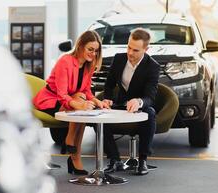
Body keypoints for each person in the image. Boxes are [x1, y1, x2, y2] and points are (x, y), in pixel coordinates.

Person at [33, 30, 110, 175]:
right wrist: (80, 104)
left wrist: (96, 101)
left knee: (82, 99)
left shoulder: (89, 65)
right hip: (50, 99)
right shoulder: (65, 61)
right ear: (80, 46)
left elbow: (86, 91)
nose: (93, 54)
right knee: (80, 106)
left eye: (96, 51)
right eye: (90, 49)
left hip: (70, 100)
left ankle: (73, 153)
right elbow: (62, 94)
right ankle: (71, 148)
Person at [102, 28, 160, 175]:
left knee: (150, 113)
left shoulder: (152, 66)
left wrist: (139, 101)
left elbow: (150, 97)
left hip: (141, 107)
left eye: (135, 50)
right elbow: (109, 85)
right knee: (100, 116)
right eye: (128, 47)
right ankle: (115, 160)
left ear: (146, 49)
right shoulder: (118, 59)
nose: (130, 53)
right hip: (120, 104)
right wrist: (107, 99)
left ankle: (143, 160)